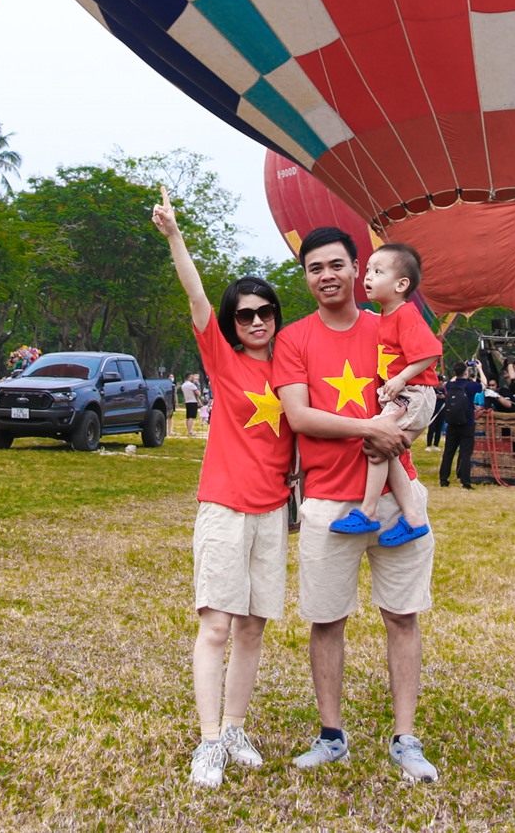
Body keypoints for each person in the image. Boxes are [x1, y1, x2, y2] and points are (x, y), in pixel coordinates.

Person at [275, 227, 438, 783]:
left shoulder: (391, 321)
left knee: (402, 615)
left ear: (357, 268)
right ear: (307, 277)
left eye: (337, 265)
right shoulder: (294, 338)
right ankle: (331, 734)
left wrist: (402, 434)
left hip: (396, 496)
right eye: (314, 268)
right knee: (326, 620)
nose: (327, 276)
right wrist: (370, 427)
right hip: (327, 500)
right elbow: (298, 416)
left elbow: (427, 393)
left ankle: (405, 737)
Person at [152, 192, 293, 790]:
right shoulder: (222, 358)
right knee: (216, 625)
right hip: (225, 507)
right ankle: (210, 740)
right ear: (233, 323)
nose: (256, 321)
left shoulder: (293, 368)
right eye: (245, 314)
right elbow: (196, 295)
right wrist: (175, 237)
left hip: (273, 512)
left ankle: (235, 727)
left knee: (254, 626)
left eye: (265, 311)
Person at [328, 244, 438, 547]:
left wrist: (401, 378)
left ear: (401, 285)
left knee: (377, 439)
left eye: (378, 272)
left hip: (413, 393)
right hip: (402, 393)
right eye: (367, 271)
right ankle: (413, 519)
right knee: (388, 451)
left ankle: (367, 511)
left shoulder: (406, 315)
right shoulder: (387, 314)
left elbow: (431, 352)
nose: (368, 277)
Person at [437, 364, 478, 490]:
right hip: (467, 423)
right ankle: (465, 481)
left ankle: (444, 479)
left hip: (452, 423)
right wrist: (479, 369)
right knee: (466, 454)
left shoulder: (449, 385)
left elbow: (451, 381)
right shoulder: (471, 386)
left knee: (448, 452)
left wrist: (460, 371)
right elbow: (484, 384)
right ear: (466, 372)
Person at [181, 373, 202, 437]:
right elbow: (198, 394)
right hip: (193, 401)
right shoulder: (192, 385)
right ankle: (190, 431)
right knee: (192, 417)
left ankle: (188, 430)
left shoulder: (183, 385)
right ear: (189, 377)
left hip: (187, 401)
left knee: (188, 417)